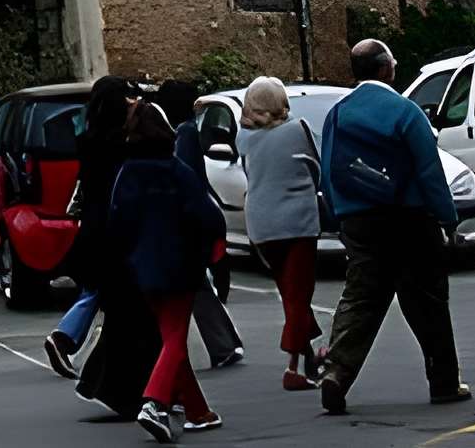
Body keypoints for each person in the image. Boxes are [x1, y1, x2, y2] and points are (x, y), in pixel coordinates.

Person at [314, 39, 468, 415]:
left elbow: (328, 169)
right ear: (386, 69)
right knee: (428, 302)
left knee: (361, 298)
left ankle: (337, 372)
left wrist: (340, 216)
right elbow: (429, 170)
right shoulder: (405, 111)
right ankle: (444, 381)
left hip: (360, 220)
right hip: (409, 218)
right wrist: (447, 216)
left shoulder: (338, 114)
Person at [108, 100, 226, 441]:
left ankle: (197, 410)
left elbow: (118, 221)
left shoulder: (127, 172)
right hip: (180, 262)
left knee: (169, 337)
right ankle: (154, 402)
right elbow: (207, 214)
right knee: (175, 339)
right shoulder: (177, 171)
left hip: (143, 265)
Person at [42, 78, 134, 378]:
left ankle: (70, 340)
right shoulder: (120, 144)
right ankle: (65, 338)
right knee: (103, 289)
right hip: (112, 225)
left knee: (95, 287)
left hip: (92, 223)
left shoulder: (88, 140)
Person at [236, 77, 323, 389]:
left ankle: (310, 357)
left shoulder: (243, 137)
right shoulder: (297, 130)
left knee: (290, 293)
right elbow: (316, 169)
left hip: (260, 224)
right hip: (296, 220)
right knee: (299, 294)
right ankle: (293, 367)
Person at [156, 77, 244, 371]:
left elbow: (186, 178)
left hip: (185, 222)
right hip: (192, 218)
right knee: (198, 286)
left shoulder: (183, 135)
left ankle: (218, 345)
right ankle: (223, 344)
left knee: (193, 286)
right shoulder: (187, 132)